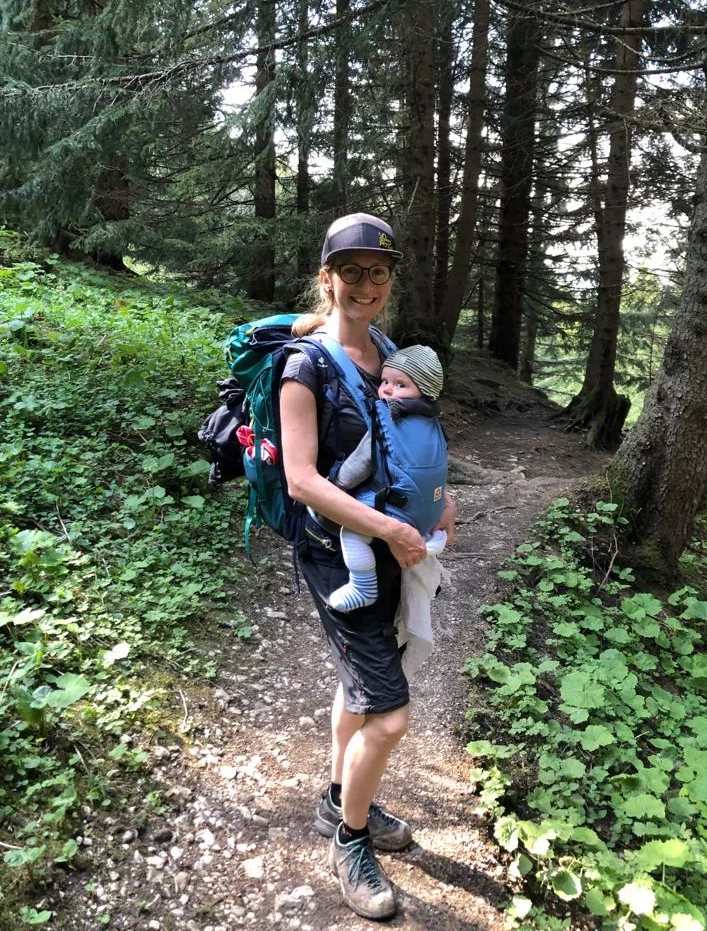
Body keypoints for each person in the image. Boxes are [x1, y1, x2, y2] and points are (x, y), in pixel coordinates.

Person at [279, 212, 456, 921]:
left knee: (359, 690)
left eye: (377, 272)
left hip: (389, 552)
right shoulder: (304, 367)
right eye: (349, 272)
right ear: (328, 279)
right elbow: (301, 478)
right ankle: (351, 840)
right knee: (389, 717)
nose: (365, 284)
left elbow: (412, 434)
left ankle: (336, 798)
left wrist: (438, 504)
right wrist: (386, 526)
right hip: (338, 558)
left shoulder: (388, 352)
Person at [329, 344, 447, 613]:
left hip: (399, 511)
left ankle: (362, 586)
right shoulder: (432, 422)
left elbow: (360, 463)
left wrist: (336, 486)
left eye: (400, 384)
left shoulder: (388, 420)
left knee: (352, 531)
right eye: (384, 381)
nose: (387, 389)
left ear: (425, 390)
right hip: (431, 511)